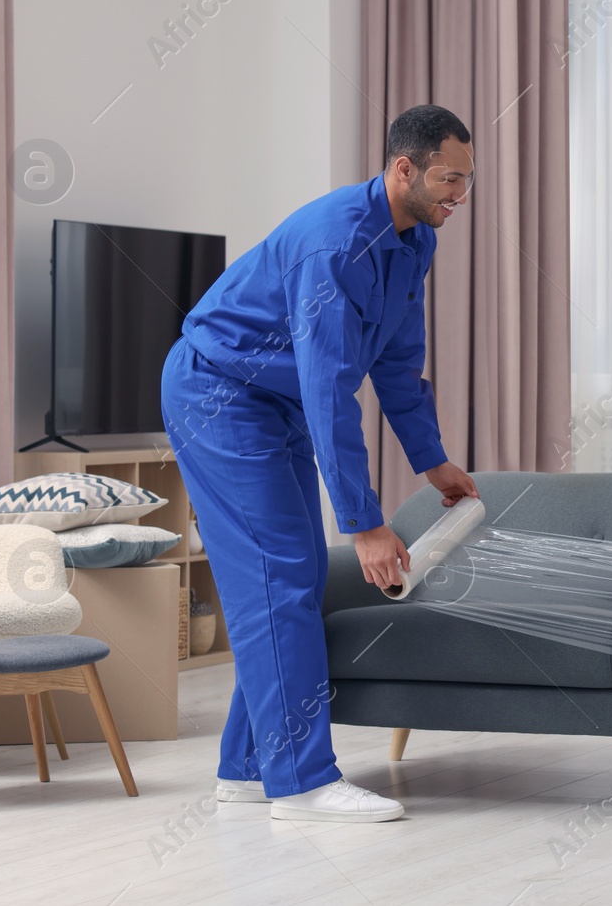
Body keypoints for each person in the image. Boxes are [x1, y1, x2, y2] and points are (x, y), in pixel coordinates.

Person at [160, 105, 480, 823]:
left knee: (295, 575)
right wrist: (364, 523)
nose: (460, 195)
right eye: (449, 180)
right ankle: (301, 782)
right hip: (218, 392)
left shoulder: (413, 242)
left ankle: (249, 766)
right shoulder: (333, 245)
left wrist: (432, 462)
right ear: (404, 169)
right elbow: (330, 387)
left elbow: (397, 364)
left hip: (274, 400)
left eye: (467, 181)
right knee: (279, 575)